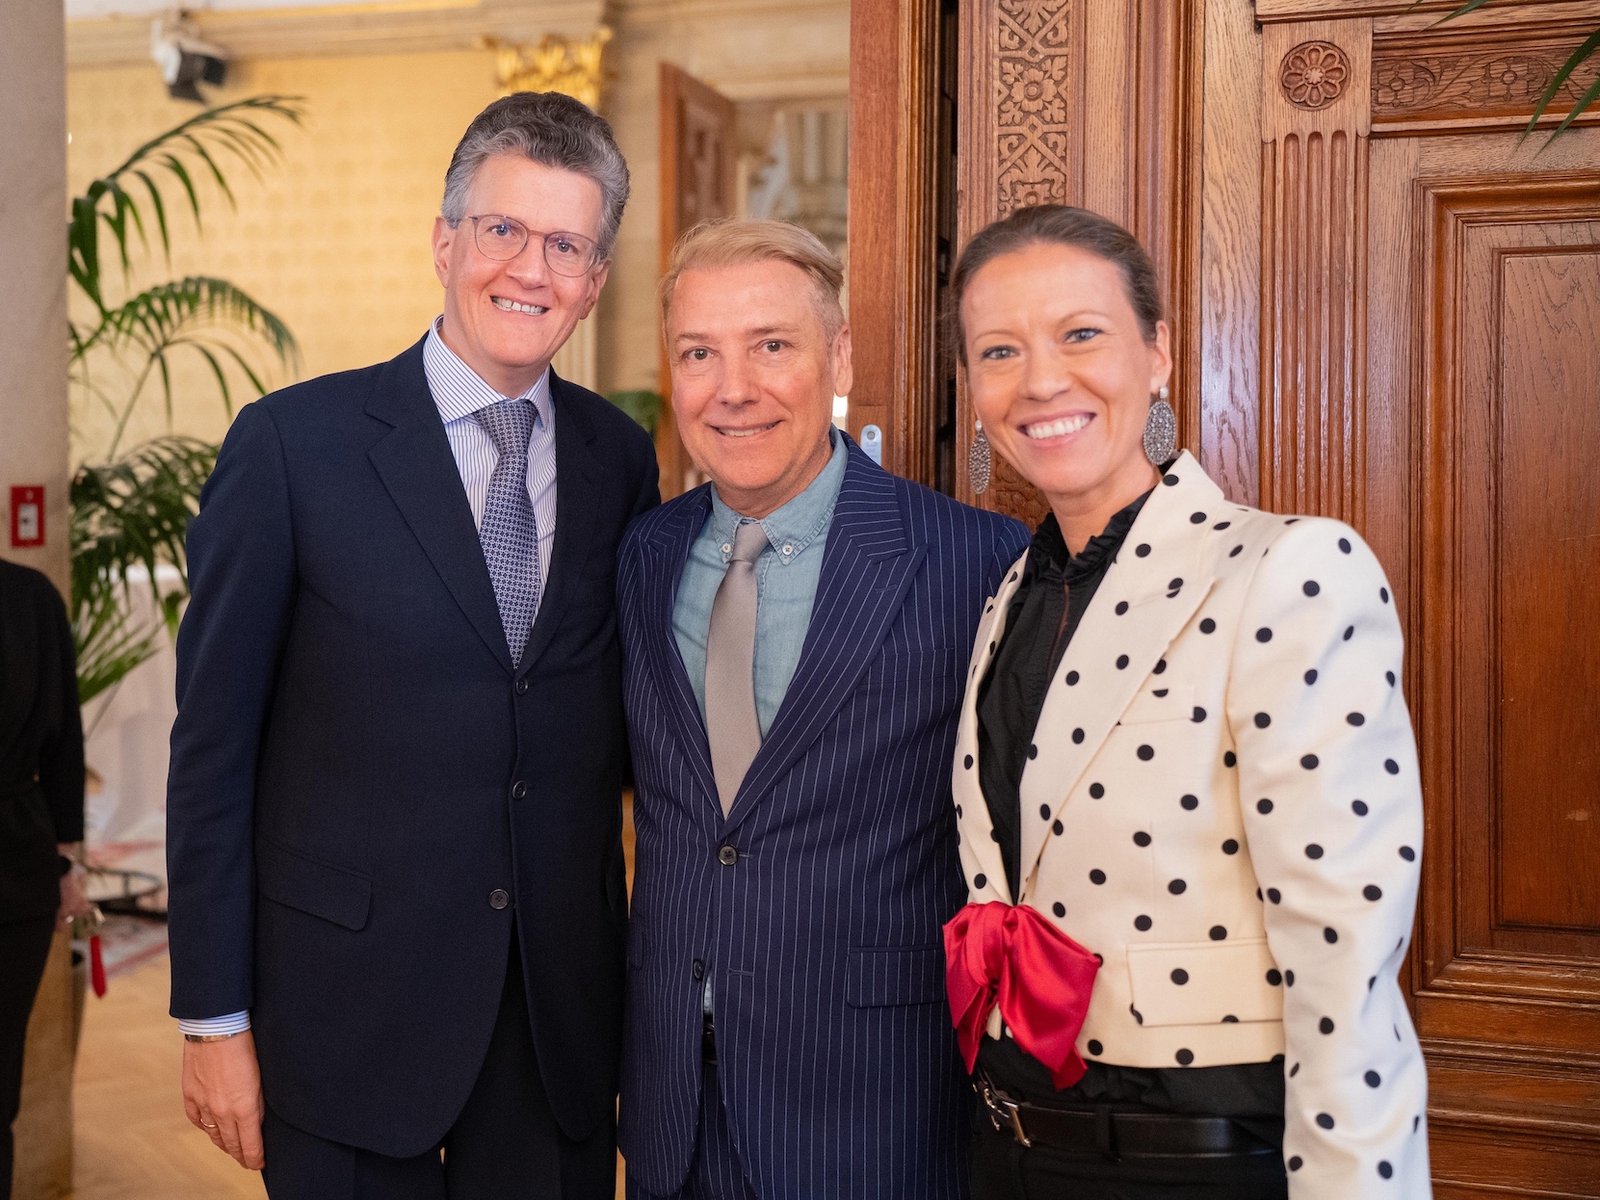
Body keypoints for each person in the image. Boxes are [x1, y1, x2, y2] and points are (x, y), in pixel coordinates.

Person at [166, 91, 658, 1199]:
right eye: (502, 229)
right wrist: (211, 1015)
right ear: (444, 242)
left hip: (554, 1032)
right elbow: (213, 753)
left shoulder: (620, 458)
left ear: (595, 278)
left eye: (566, 244)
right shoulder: (293, 447)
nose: (530, 269)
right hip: (342, 1018)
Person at [942, 204, 1430, 1199]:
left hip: (1196, 1166)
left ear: (1157, 354)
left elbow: (1345, 953)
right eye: (999, 351)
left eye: (1081, 333)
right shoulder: (1011, 595)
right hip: (1011, 1151)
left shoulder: (1288, 568)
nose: (1041, 380)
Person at [617, 217, 1030, 1200]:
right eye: (699, 353)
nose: (733, 388)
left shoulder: (975, 560)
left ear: (838, 357)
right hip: (674, 1104)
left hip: (873, 1101)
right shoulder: (641, 555)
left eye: (771, 345)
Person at [0, 558, 90, 1200]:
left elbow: (64, 746)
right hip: (19, 862)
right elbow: (65, 747)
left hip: (18, 869)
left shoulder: (32, 597)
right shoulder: (31, 596)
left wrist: (66, 867)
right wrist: (65, 865)